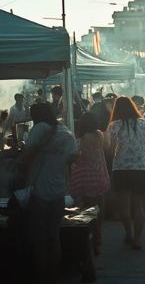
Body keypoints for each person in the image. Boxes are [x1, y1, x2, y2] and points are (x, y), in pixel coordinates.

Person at [24, 102, 78, 282]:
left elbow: (26, 156)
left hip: (39, 191)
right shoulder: (66, 132)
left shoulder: (39, 129)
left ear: (36, 116)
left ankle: (42, 277)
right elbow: (71, 159)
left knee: (39, 239)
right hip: (59, 191)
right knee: (54, 236)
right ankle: (54, 276)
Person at [106, 96, 145, 250]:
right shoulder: (142, 123)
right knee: (138, 206)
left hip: (121, 169)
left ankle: (129, 234)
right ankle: (137, 239)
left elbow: (111, 151)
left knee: (124, 207)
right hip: (141, 168)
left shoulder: (114, 125)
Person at [69, 112, 110, 254]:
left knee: (88, 208)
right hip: (100, 172)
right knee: (99, 206)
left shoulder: (84, 137)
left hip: (87, 174)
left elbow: (83, 155)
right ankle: (98, 236)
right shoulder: (99, 134)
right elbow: (105, 148)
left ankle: (92, 237)